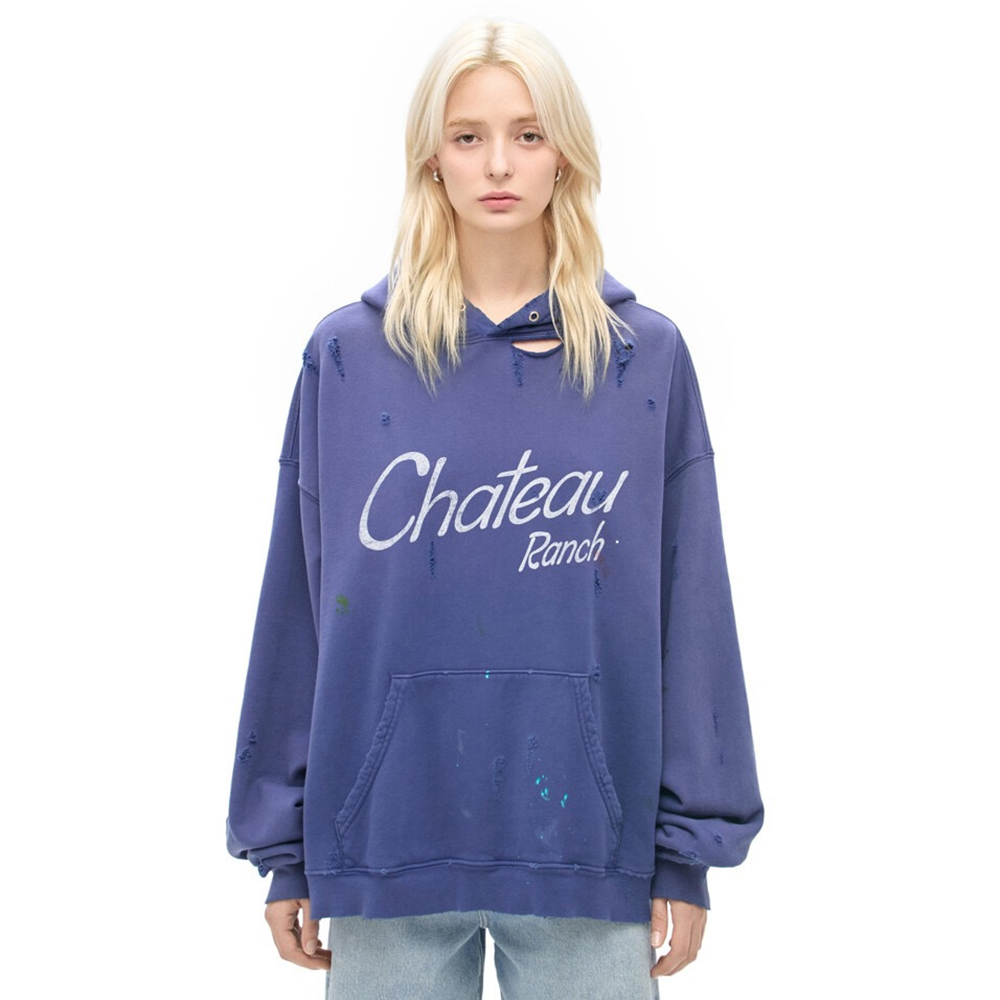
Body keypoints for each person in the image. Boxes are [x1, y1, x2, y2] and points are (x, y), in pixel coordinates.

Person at [227, 17, 763, 1000]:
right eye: (468, 136)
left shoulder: (642, 361)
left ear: (567, 154)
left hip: (586, 855)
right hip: (385, 848)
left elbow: (691, 608)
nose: (499, 164)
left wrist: (687, 847)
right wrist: (284, 846)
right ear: (431, 158)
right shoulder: (348, 358)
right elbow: (298, 604)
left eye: (528, 133)